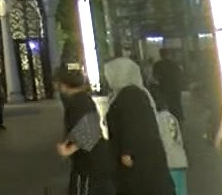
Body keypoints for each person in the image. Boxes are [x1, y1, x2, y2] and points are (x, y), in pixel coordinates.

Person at [103, 56, 175, 195]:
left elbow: (135, 125)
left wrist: (127, 151)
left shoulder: (131, 94)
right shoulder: (130, 93)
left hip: (139, 159)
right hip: (142, 157)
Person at [55, 69, 112, 195]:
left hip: (88, 161)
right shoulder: (82, 99)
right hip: (92, 159)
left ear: (64, 85)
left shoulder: (78, 102)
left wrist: (68, 150)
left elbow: (89, 129)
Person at [152, 48, 186, 127]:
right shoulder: (174, 63)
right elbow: (180, 74)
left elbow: (156, 77)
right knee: (177, 103)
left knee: (167, 104)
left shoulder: (158, 64)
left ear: (160, 54)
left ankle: (170, 121)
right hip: (175, 87)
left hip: (164, 88)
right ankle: (180, 119)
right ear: (168, 54)